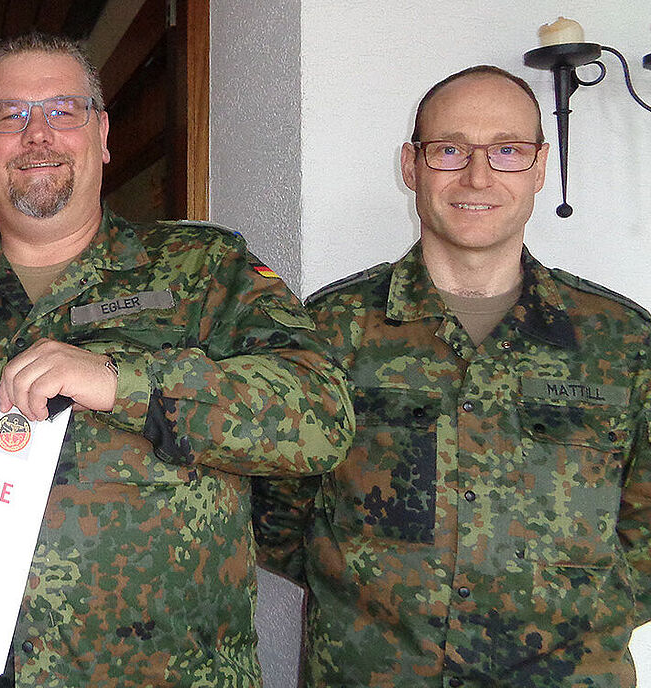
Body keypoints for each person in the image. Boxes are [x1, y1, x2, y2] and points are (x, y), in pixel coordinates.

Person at [0, 31, 353, 687]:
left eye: (62, 111)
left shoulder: (206, 268)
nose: (37, 134)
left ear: (101, 134)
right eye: (11, 116)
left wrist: (121, 382)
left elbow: (320, 417)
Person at [253, 65, 651, 686]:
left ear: (540, 169)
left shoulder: (623, 341)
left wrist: (577, 615)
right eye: (449, 150)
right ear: (411, 166)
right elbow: (276, 512)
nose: (477, 176)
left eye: (507, 151)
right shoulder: (327, 332)